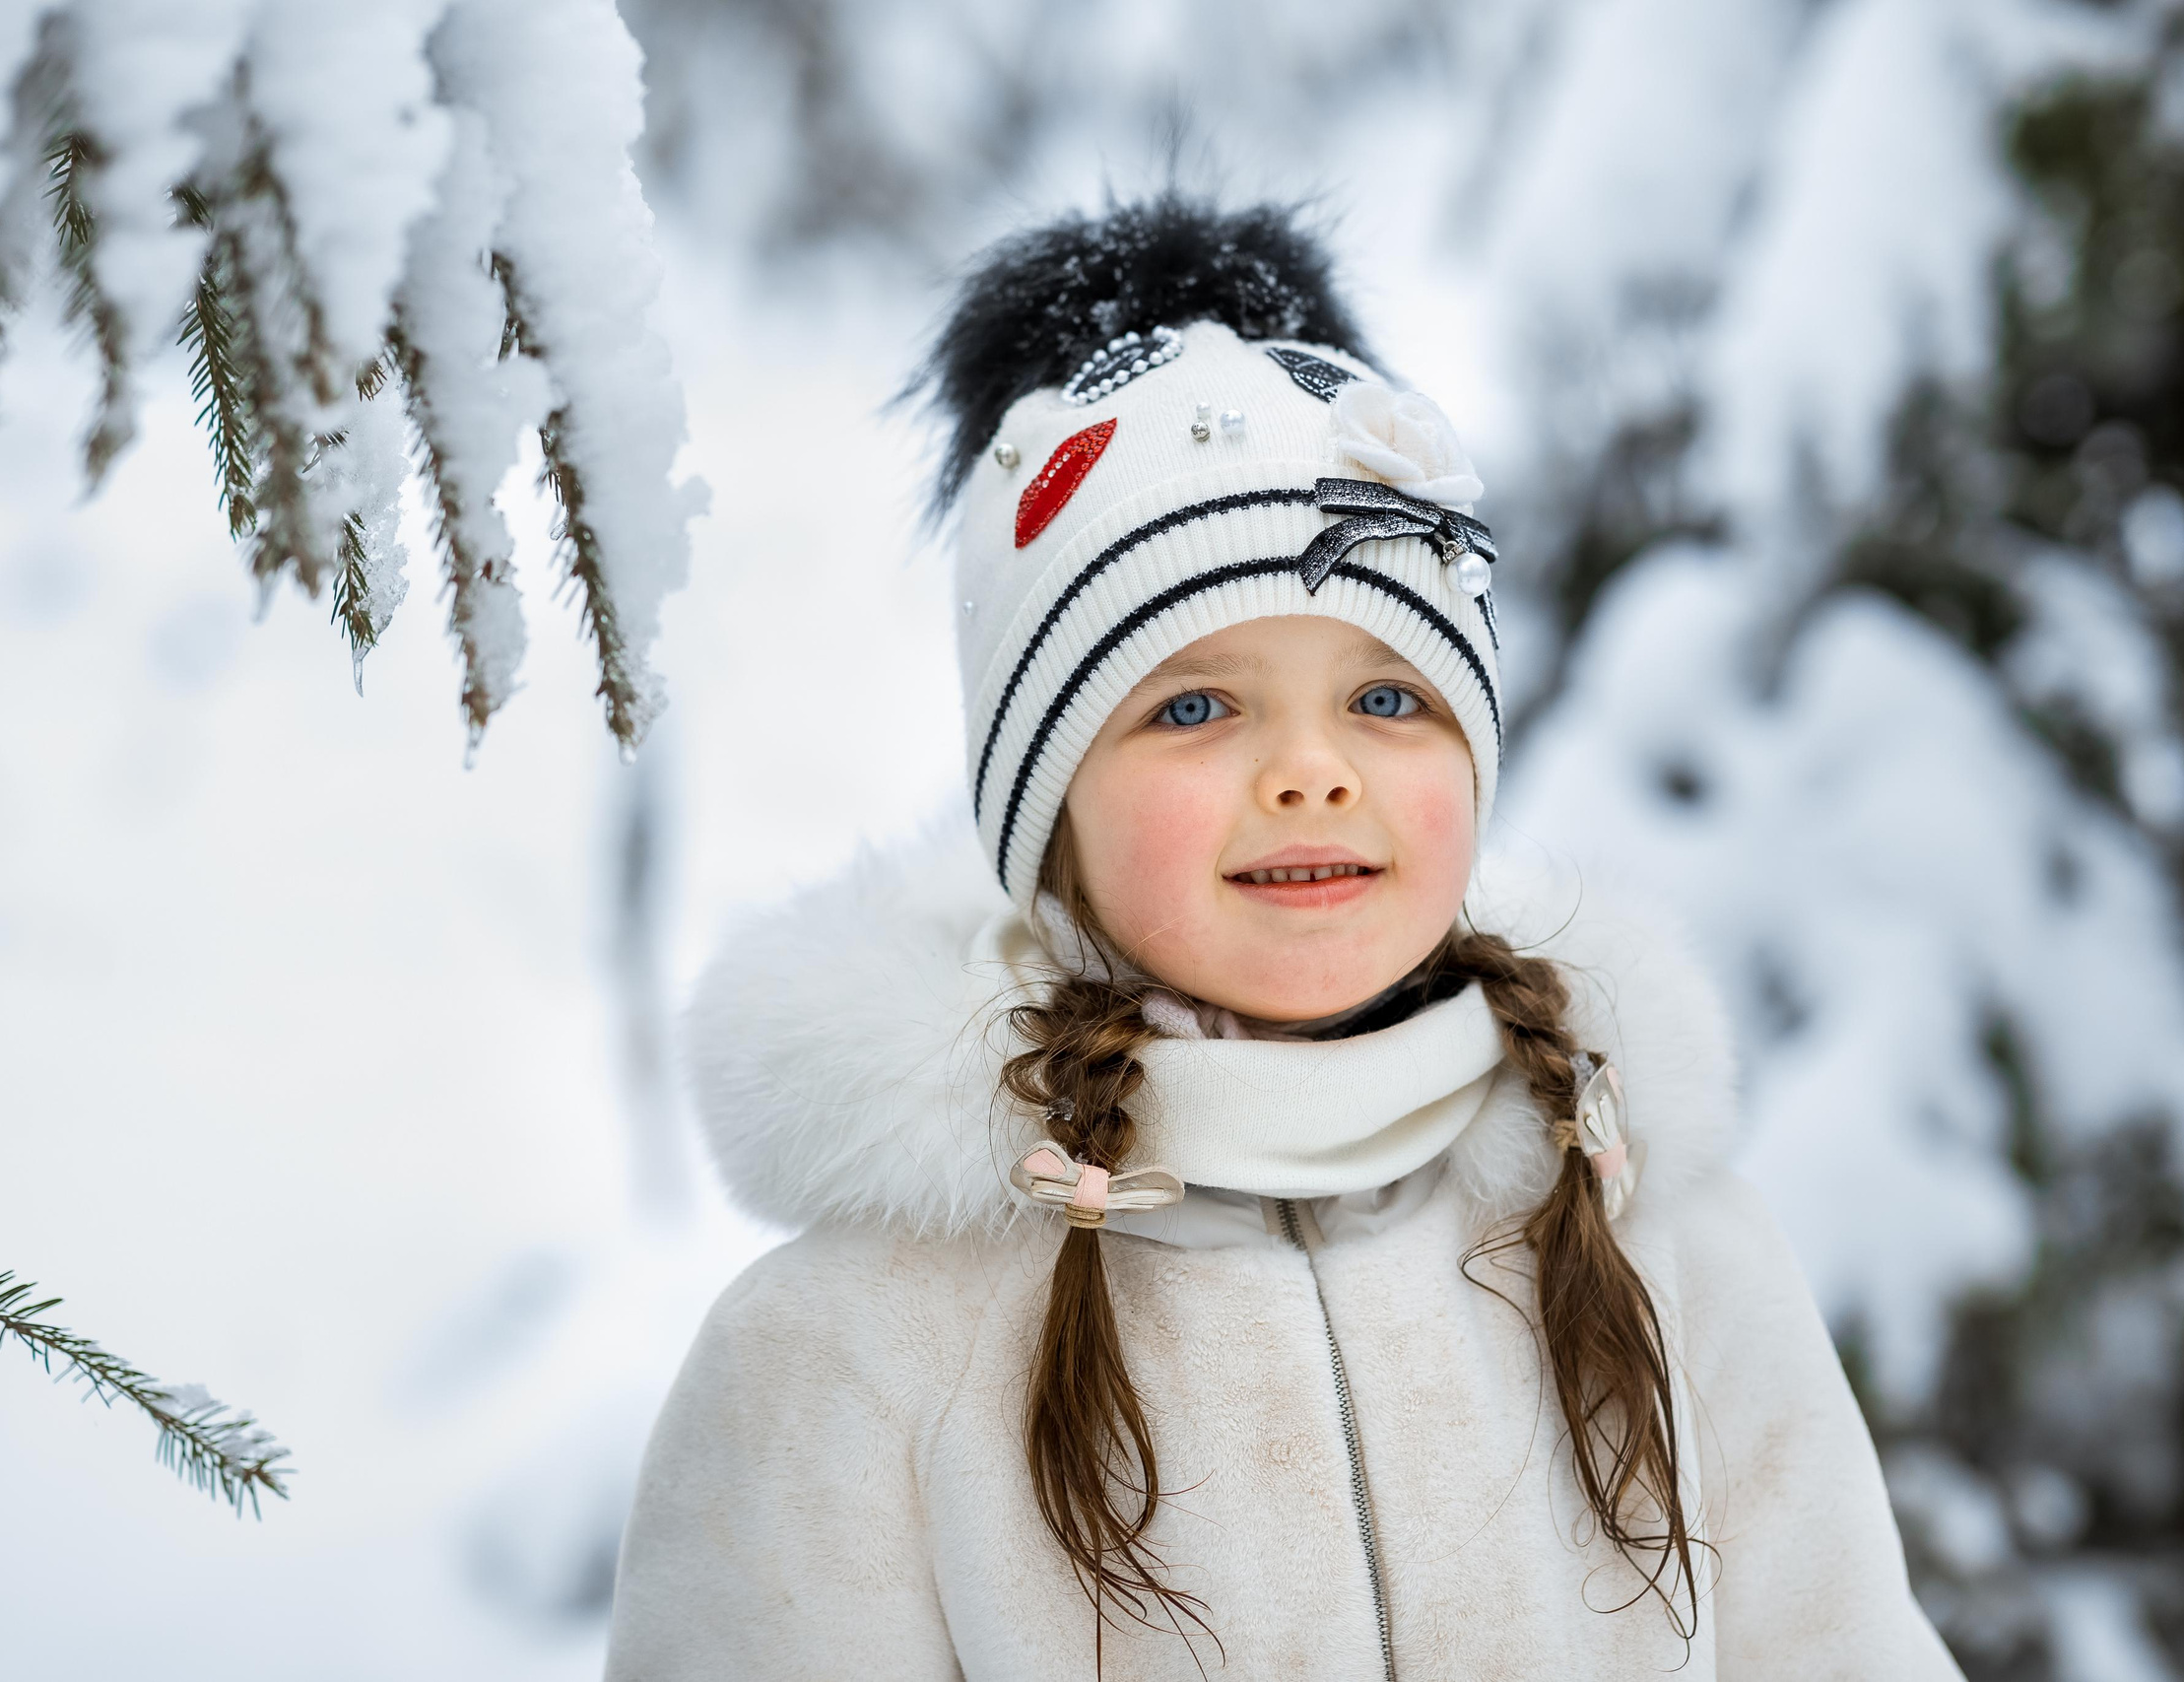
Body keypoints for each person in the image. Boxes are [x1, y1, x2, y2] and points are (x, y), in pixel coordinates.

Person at [605, 194, 1963, 1680]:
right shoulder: (848, 1349)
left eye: (1388, 697)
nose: (1313, 772)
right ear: (1045, 811)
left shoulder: (1655, 1238)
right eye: (1194, 705)